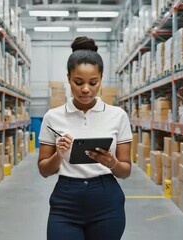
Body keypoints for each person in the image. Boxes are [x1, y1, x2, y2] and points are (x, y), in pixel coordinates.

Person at [38, 36, 133, 240]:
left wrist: (112, 162)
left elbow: (125, 172)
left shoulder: (118, 116)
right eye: (78, 82)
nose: (86, 89)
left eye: (93, 82)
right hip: (65, 201)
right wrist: (59, 155)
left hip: (107, 199)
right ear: (69, 78)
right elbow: (44, 170)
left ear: (101, 79)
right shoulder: (52, 117)